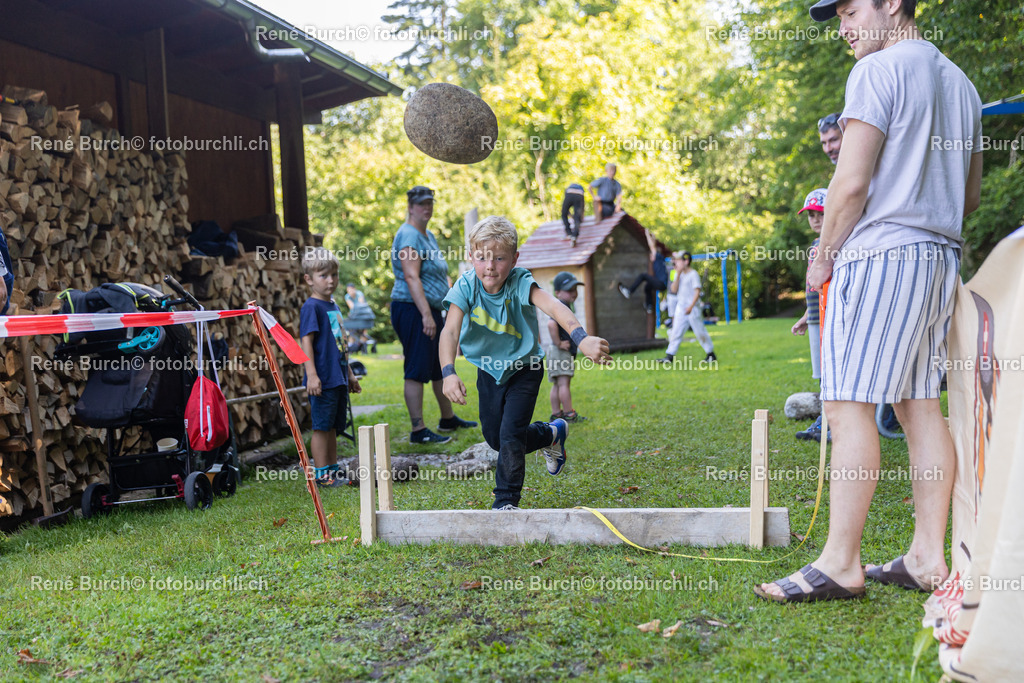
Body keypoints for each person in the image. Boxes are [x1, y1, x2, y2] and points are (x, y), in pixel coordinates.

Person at [757, 0, 983, 603]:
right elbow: (970, 198)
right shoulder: (962, 85)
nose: (844, 29)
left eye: (853, 12)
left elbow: (850, 182)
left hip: (881, 254)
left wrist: (823, 257)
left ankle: (840, 563)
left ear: (893, 3)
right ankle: (927, 556)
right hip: (940, 259)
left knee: (845, 405)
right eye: (839, 19)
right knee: (919, 404)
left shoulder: (877, 70)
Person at [439, 216, 611, 510]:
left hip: (525, 368)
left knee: (510, 435)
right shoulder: (466, 286)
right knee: (496, 438)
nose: (490, 266)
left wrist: (581, 339)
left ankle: (505, 501)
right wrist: (448, 372)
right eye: (481, 258)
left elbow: (554, 307)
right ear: (471, 257)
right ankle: (551, 433)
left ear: (514, 259)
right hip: (488, 370)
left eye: (499, 258)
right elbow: (450, 331)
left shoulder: (520, 282)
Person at [390, 185, 477, 444]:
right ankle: (418, 430)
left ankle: (447, 418)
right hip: (412, 309)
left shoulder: (426, 235)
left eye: (430, 202)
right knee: (416, 368)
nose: (426, 207)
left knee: (439, 365)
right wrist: (426, 315)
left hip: (430, 309)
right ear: (410, 207)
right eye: (421, 204)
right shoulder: (408, 235)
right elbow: (411, 276)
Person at [299, 248, 362, 488]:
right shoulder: (312, 307)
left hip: (338, 378)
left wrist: (350, 375)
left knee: (334, 427)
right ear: (309, 279)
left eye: (334, 275)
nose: (331, 280)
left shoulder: (334, 306)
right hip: (323, 379)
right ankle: (321, 474)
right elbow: (306, 342)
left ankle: (333, 470)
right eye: (323, 275)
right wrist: (312, 375)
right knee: (321, 427)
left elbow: (341, 345)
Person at [791, 189, 830, 442]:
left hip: (832, 319)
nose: (815, 219)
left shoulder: (836, 245)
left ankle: (829, 421)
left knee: (832, 371)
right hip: (817, 318)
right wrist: (808, 315)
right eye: (811, 215)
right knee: (822, 374)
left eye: (820, 214)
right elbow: (815, 289)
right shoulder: (815, 246)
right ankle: (826, 419)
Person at [657, 251, 716, 365]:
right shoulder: (678, 274)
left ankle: (710, 354)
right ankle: (669, 356)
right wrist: (678, 274)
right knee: (676, 331)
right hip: (681, 308)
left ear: (686, 261)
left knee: (700, 332)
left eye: (678, 261)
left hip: (692, 309)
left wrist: (691, 306)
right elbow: (673, 290)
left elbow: (697, 291)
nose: (676, 263)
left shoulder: (693, 274)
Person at [547, 271, 586, 423]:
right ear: (557, 292)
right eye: (569, 290)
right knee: (564, 383)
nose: (574, 293)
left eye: (575, 289)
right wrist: (559, 343)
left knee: (557, 384)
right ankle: (569, 414)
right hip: (560, 351)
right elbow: (551, 324)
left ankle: (556, 413)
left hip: (555, 352)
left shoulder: (562, 306)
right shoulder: (560, 307)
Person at [617, 228, 668, 315]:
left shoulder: (658, 258)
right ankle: (649, 306)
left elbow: (652, 247)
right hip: (662, 284)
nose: (650, 257)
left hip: (661, 283)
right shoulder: (661, 260)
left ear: (654, 255)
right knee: (647, 287)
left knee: (643, 276)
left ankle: (629, 291)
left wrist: (647, 234)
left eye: (651, 255)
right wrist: (653, 238)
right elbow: (654, 247)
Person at [343, 283, 376, 354]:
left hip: (363, 316)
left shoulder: (359, 294)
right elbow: (352, 307)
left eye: (351, 290)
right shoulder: (347, 296)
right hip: (354, 317)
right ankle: (352, 347)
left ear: (354, 289)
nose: (349, 292)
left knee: (363, 331)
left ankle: (363, 347)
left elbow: (360, 305)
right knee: (351, 332)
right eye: (348, 290)